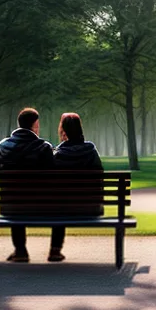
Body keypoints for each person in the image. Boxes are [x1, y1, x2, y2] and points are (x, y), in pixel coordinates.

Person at [0, 107, 55, 262]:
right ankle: (55, 250)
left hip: (10, 206)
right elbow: (53, 174)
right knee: (27, 197)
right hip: (41, 205)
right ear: (34, 125)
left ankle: (20, 250)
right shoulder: (45, 147)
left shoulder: (2, 146)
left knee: (15, 197)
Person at [48, 113, 104, 263]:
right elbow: (100, 176)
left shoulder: (56, 155)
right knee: (62, 203)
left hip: (61, 209)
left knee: (59, 204)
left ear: (63, 130)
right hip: (90, 207)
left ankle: (55, 250)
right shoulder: (90, 151)